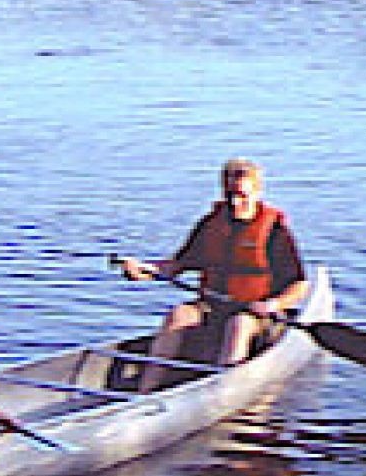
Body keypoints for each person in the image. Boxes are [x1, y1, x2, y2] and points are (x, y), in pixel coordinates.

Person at [114, 157, 308, 374]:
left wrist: (273, 304)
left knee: (238, 326)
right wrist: (144, 271)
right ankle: (148, 387)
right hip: (212, 306)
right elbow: (177, 265)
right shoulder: (211, 225)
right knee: (179, 315)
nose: (235, 202)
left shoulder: (274, 232)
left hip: (254, 312)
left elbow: (299, 286)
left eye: (242, 196)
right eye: (229, 195)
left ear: (257, 193)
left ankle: (225, 383)